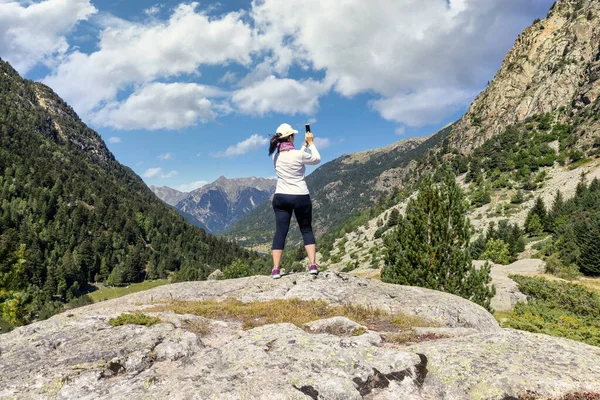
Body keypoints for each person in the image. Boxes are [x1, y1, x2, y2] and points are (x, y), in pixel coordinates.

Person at [268, 123, 321, 279]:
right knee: (306, 229)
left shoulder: (275, 156)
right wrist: (311, 144)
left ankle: (276, 269)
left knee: (280, 232)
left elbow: (295, 156)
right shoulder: (299, 154)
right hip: (300, 196)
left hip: (281, 196)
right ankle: (312, 265)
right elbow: (316, 159)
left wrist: (304, 145)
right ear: (290, 137)